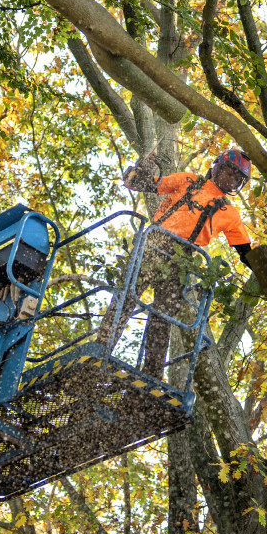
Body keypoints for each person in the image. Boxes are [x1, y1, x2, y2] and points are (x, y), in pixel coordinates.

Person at [97, 149, 253, 379]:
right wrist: (142, 169)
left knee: (163, 316)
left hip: (182, 259)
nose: (231, 179)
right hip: (154, 243)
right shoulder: (188, 180)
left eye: (237, 178)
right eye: (229, 172)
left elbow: (246, 252)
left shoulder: (229, 213)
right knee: (126, 296)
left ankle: (152, 373)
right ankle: (101, 349)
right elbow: (143, 183)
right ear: (216, 167)